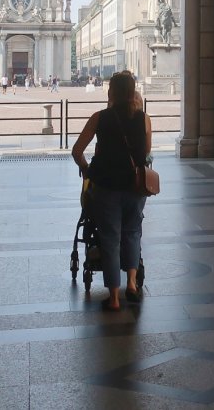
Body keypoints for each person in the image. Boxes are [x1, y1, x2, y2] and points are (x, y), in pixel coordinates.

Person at [71, 71, 152, 311]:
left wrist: (86, 169)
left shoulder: (99, 117)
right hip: (135, 187)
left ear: (111, 92)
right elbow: (145, 153)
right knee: (132, 233)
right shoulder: (144, 118)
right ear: (132, 91)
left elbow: (77, 150)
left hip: (106, 187)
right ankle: (132, 285)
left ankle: (114, 298)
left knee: (109, 237)